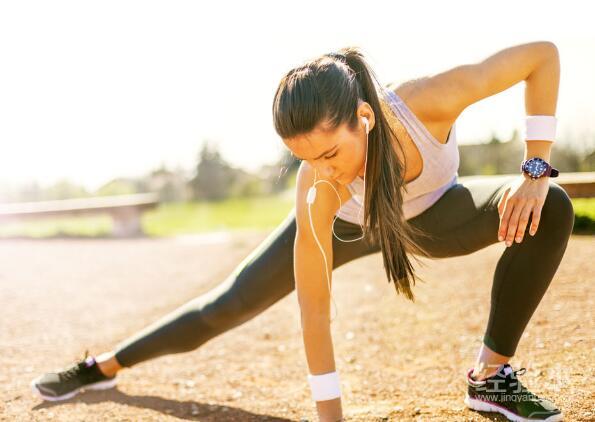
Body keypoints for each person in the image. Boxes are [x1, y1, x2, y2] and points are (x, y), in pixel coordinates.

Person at [31, 43, 571, 422]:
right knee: (227, 304)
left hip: (434, 216)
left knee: (553, 207)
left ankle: (490, 378)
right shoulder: (320, 190)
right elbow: (315, 313)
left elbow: (541, 56)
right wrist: (329, 415)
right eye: (305, 161)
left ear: (364, 116)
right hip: (348, 230)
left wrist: (535, 171)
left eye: (331, 152)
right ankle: (100, 366)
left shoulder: (425, 103)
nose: (325, 171)